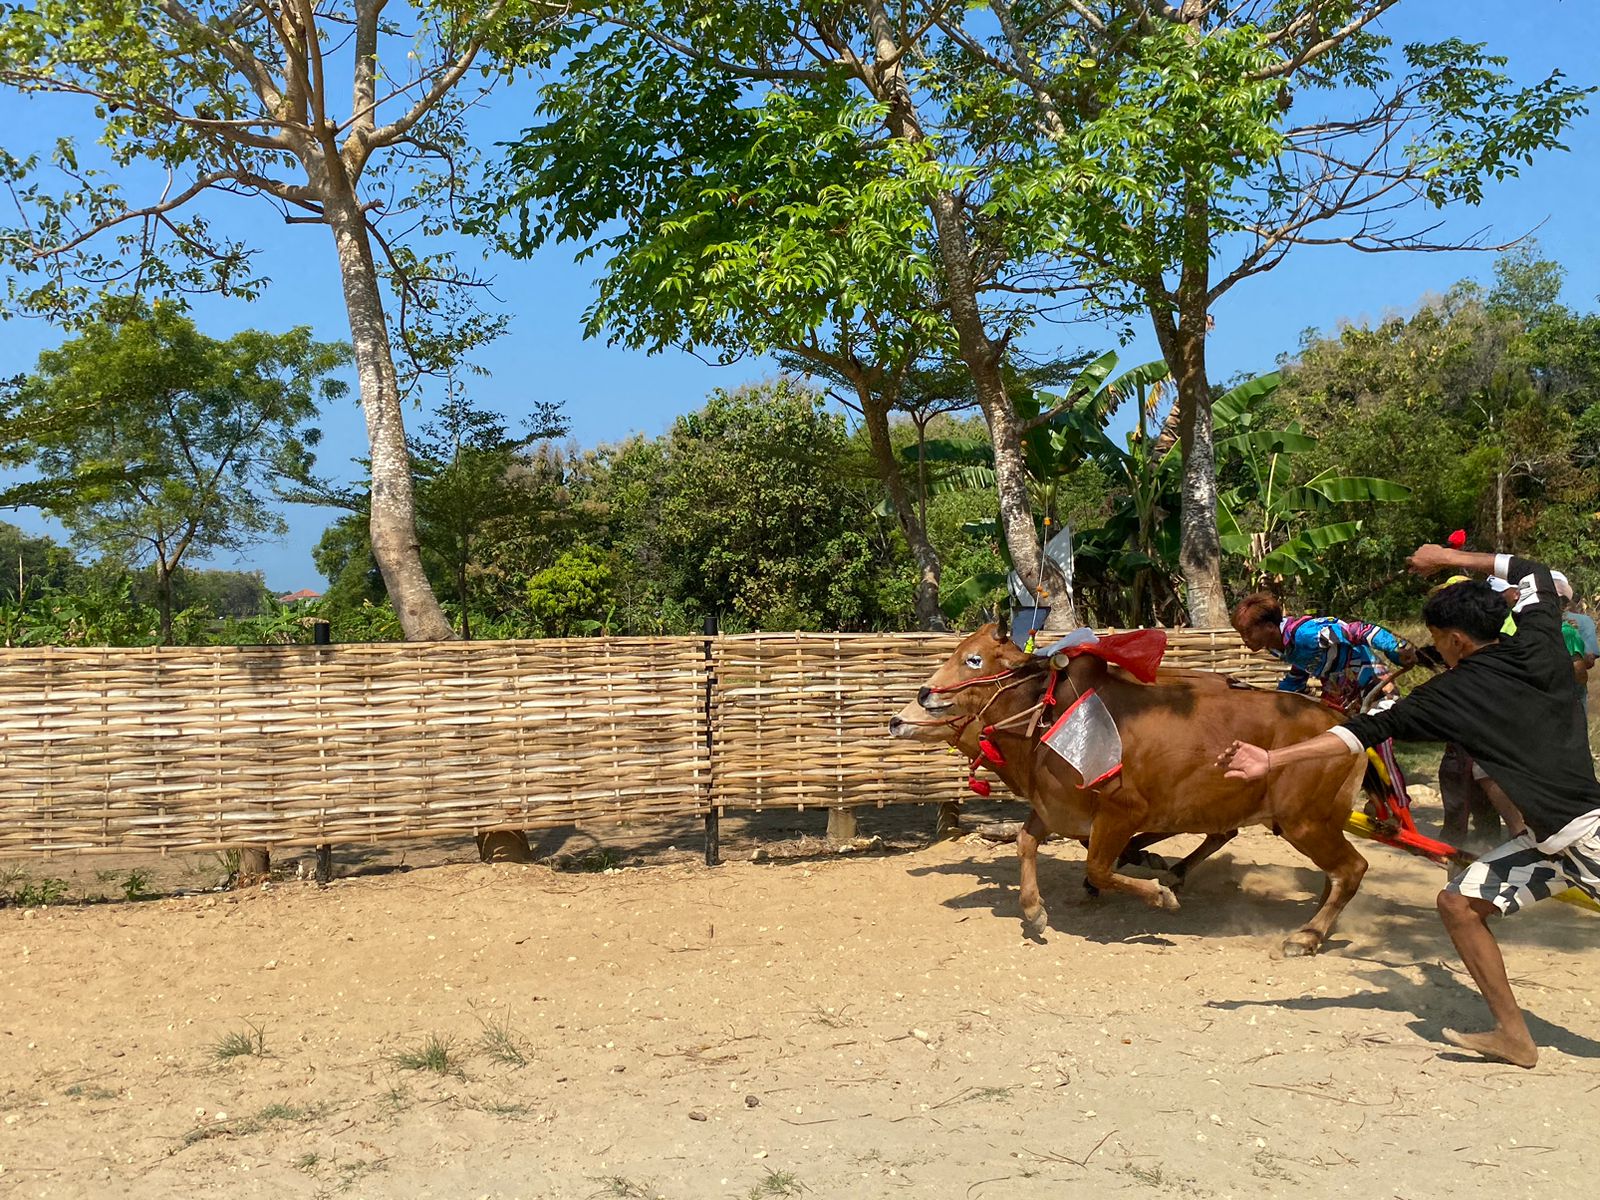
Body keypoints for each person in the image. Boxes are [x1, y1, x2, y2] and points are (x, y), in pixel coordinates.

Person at [1219, 545, 1600, 1069]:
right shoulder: (1539, 641)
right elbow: (1533, 571)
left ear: (1458, 641)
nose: (1437, 652)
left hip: (1584, 837)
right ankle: (1514, 1036)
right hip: (1547, 841)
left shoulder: (1451, 694)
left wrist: (1272, 759)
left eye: (1440, 642)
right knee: (1459, 905)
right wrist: (1447, 557)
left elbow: (1359, 733)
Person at [1230, 593, 1417, 813]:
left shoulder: (1308, 633)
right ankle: (1370, 798)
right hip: (1341, 693)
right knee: (1332, 741)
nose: (1245, 639)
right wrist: (1275, 696)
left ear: (1270, 626)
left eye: (1248, 632)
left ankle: (1399, 803)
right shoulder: (1276, 646)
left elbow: (1360, 631)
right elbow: (1303, 666)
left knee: (1378, 742)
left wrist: (1396, 649)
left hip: (1371, 686)